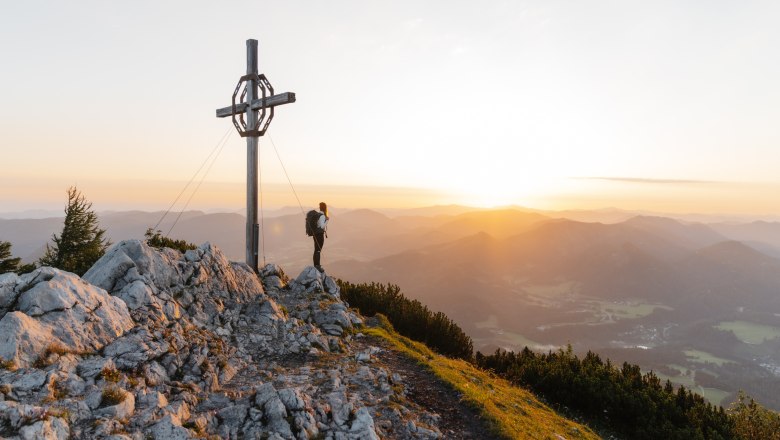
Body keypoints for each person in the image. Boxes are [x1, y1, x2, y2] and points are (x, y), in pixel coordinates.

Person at [312, 202, 329, 272]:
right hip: (319, 235)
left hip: (315, 234)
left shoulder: (317, 215)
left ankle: (316, 265)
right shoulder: (322, 216)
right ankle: (317, 266)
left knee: (316, 250)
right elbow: (322, 226)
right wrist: (327, 220)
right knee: (318, 250)